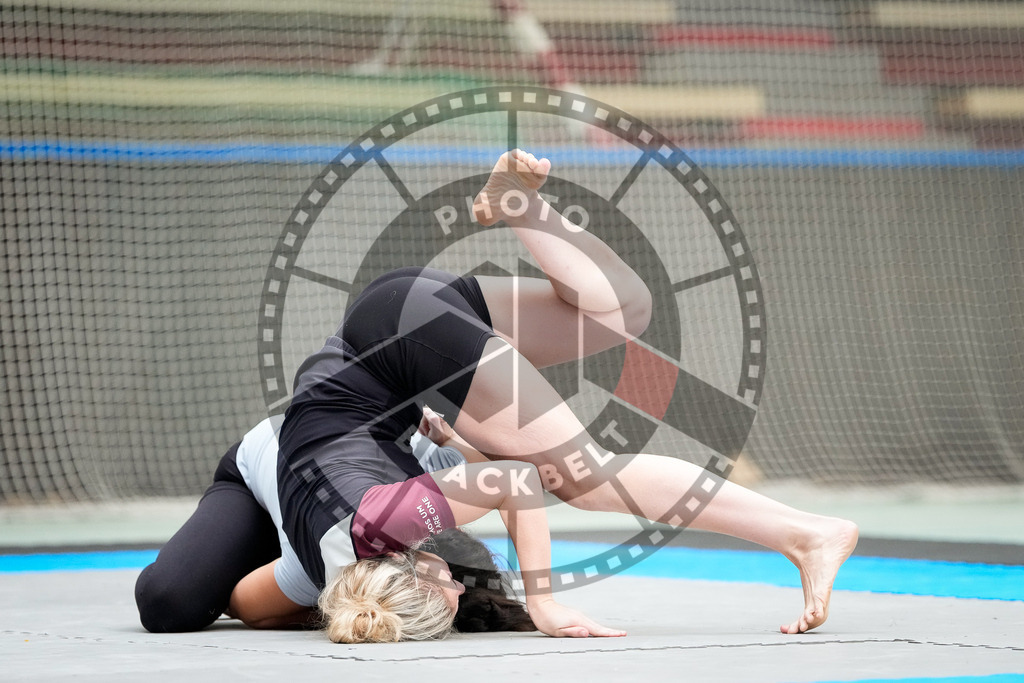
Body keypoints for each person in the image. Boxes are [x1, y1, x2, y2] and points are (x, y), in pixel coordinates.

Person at [136, 149, 858, 641]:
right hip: (386, 350)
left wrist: (541, 601)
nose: (459, 593)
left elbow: (515, 482)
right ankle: (520, 208)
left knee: (586, 478)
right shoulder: (334, 560)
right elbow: (244, 603)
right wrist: (346, 611)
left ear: (412, 559)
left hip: (392, 344)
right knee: (623, 314)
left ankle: (807, 533)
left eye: (445, 597)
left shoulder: (386, 521)